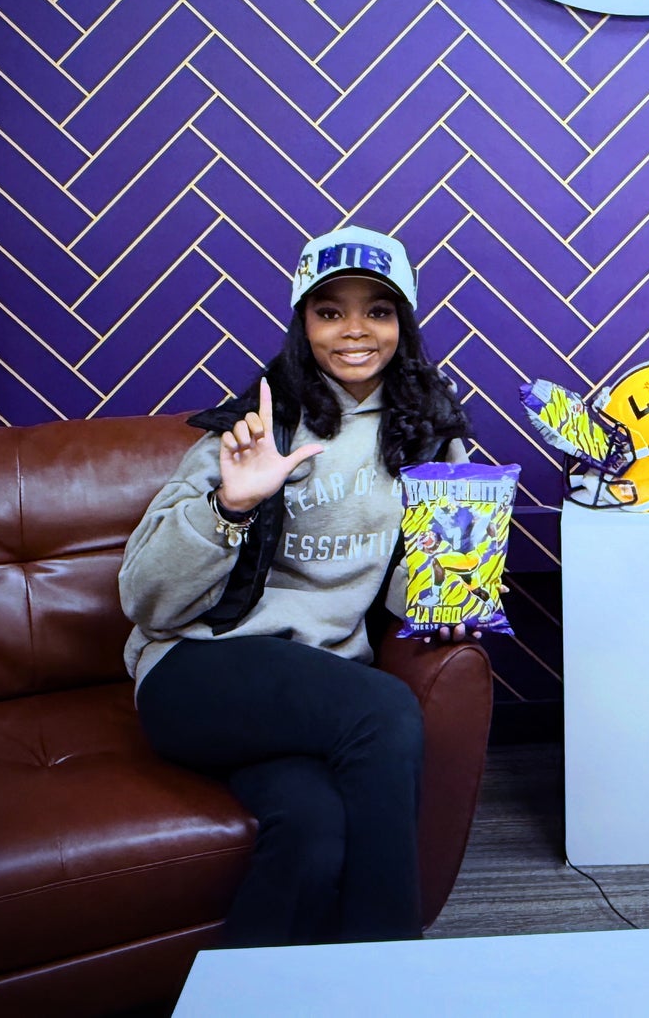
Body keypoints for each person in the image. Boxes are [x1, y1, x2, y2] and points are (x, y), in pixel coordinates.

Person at [120, 225, 473, 947]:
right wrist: (231, 505)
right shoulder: (255, 428)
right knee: (385, 710)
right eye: (329, 310)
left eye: (378, 310)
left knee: (314, 835)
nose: (355, 330)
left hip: (315, 694)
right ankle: (393, 976)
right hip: (196, 672)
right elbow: (145, 599)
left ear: (403, 324)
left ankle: (249, 993)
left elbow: (412, 582)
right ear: (302, 322)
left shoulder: (428, 435)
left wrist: (447, 597)